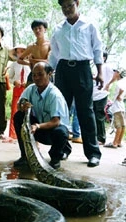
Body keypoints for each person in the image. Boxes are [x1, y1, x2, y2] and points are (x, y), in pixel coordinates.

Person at [49, 0, 103, 167]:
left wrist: (100, 71)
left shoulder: (89, 25)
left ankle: (93, 153)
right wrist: (48, 72)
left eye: (70, 5)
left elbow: (97, 48)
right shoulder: (58, 29)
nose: (67, 9)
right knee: (62, 111)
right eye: (64, 7)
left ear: (77, 3)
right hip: (63, 71)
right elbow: (54, 53)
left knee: (86, 112)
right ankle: (63, 149)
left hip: (83, 69)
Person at [13, 62, 72, 169]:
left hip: (53, 129)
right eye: (34, 75)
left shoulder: (54, 95)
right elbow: (19, 104)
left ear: (49, 74)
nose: (36, 78)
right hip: (38, 128)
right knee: (18, 116)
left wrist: (37, 126)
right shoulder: (31, 89)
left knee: (61, 132)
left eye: (40, 74)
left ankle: (55, 158)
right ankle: (25, 156)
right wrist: (22, 106)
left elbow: (56, 122)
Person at [6, 44, 31, 141]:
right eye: (18, 51)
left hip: (27, 90)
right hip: (17, 89)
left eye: (22, 51)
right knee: (14, 111)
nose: (20, 53)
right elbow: (10, 77)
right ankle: (13, 134)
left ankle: (27, 133)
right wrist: (14, 82)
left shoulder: (30, 64)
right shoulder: (14, 64)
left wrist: (27, 83)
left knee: (27, 112)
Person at [93, 51, 117, 145]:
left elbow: (118, 73)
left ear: (104, 57)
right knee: (94, 116)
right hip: (94, 95)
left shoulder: (107, 66)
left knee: (99, 116)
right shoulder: (97, 67)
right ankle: (96, 136)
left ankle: (101, 138)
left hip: (101, 94)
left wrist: (109, 84)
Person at [17, 19, 50, 87]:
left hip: (46, 75)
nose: (37, 30)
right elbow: (19, 60)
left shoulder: (50, 45)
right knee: (30, 95)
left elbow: (49, 62)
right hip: (33, 75)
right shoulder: (31, 46)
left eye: (40, 28)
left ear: (45, 30)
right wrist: (29, 63)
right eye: (35, 29)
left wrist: (33, 61)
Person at [104, 69, 126, 148]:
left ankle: (115, 143)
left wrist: (118, 96)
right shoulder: (123, 82)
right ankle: (119, 142)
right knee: (123, 125)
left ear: (118, 74)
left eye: (115, 72)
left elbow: (121, 90)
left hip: (117, 107)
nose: (114, 73)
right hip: (121, 106)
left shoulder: (119, 83)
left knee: (118, 125)